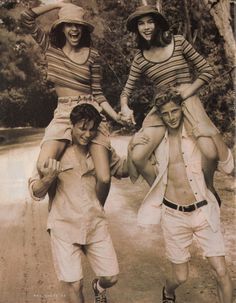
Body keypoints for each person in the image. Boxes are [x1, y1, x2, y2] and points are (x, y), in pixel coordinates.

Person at [133, 88, 234, 303]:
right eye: (166, 113)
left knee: (221, 271)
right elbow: (134, 165)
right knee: (180, 276)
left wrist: (211, 130)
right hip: (173, 215)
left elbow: (227, 165)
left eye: (175, 111)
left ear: (182, 109)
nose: (171, 117)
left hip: (203, 210)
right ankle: (168, 292)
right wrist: (134, 142)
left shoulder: (197, 135)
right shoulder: (156, 142)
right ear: (159, 115)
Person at [21, 1, 125, 206]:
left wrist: (116, 116)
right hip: (64, 114)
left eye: (78, 25)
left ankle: (96, 212)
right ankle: (56, 208)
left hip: (91, 112)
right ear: (61, 27)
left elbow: (98, 93)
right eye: (69, 24)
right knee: (44, 166)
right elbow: (26, 17)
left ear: (83, 29)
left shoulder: (93, 55)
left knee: (104, 177)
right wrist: (55, 4)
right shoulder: (50, 49)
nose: (74, 29)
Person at [29, 103, 130, 303]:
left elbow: (121, 169)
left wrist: (142, 150)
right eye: (82, 128)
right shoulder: (54, 152)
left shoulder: (101, 151)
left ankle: (98, 287)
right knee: (74, 285)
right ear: (71, 126)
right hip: (64, 228)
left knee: (111, 277)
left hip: (95, 225)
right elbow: (35, 191)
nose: (87, 134)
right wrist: (48, 178)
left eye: (92, 129)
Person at [120, 5, 220, 200]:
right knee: (139, 156)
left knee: (211, 153)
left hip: (187, 100)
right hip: (162, 107)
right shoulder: (140, 58)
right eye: (141, 24)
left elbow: (207, 71)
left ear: (158, 24)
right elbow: (126, 92)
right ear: (137, 29)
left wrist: (185, 93)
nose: (146, 27)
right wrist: (125, 106)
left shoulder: (179, 42)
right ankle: (162, 195)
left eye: (150, 21)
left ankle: (208, 187)